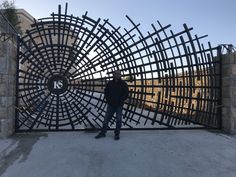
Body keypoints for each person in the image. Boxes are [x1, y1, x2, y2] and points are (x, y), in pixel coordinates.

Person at [95, 70, 129, 140]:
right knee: (106, 119)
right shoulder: (110, 83)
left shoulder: (123, 84)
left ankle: (117, 134)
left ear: (120, 75)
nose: (117, 75)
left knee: (119, 120)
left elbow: (126, 94)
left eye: (119, 74)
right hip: (111, 104)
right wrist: (108, 100)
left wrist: (121, 100)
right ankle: (103, 132)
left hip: (119, 105)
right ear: (113, 74)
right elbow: (106, 92)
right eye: (116, 74)